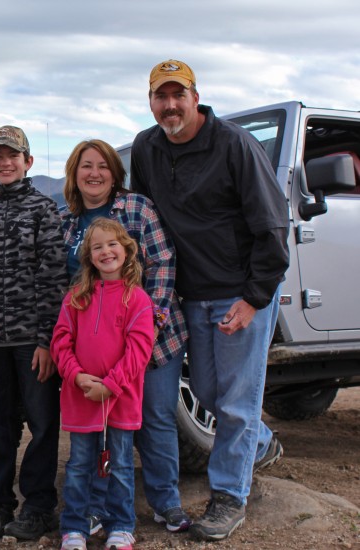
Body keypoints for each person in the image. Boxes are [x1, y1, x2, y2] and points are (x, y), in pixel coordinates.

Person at [130, 59, 290, 542]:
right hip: (191, 293)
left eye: (179, 95)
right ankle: (259, 444)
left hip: (240, 290)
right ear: (152, 101)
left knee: (237, 399)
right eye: (162, 96)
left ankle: (228, 498)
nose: (171, 105)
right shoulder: (146, 147)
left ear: (196, 97)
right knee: (205, 390)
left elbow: (272, 226)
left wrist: (254, 298)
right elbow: (145, 217)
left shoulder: (235, 144)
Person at [61, 139, 190, 535]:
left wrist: (150, 322)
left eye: (102, 165)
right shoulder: (68, 222)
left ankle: (165, 502)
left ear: (115, 172)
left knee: (154, 418)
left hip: (146, 340)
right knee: (100, 427)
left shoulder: (136, 207)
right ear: (75, 173)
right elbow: (67, 284)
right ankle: (99, 509)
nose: (94, 173)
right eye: (86, 166)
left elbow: (163, 260)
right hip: (96, 350)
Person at [0, 125, 68, 541]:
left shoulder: (44, 210)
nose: (5, 162)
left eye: (13, 155)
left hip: (33, 341)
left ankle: (39, 506)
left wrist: (47, 340)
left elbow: (53, 278)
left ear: (28, 161)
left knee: (44, 426)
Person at [51, 217, 155, 550]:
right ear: (88, 255)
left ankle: (121, 526)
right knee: (80, 465)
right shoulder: (75, 298)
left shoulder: (137, 300)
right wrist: (77, 376)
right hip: (81, 398)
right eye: (97, 246)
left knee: (121, 465)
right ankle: (75, 528)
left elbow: (139, 352)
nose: (105, 251)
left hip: (120, 400)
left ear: (126, 250)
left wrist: (110, 385)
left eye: (112, 244)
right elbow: (60, 342)